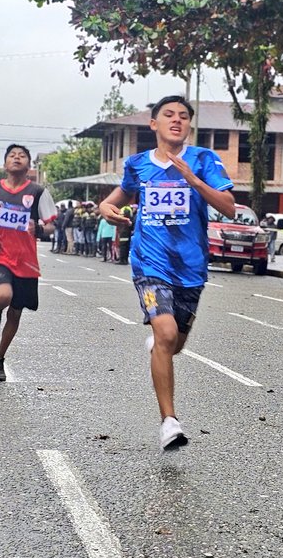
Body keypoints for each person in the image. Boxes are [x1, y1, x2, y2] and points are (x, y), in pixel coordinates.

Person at [97, 96, 236, 450]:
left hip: (190, 267)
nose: (177, 120)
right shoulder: (138, 164)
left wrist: (194, 181)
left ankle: (162, 345)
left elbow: (229, 208)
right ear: (154, 124)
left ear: (189, 125)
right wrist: (105, 208)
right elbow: (117, 197)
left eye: (184, 116)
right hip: (149, 263)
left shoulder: (204, 160)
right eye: (169, 115)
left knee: (174, 343)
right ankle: (169, 422)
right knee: (166, 330)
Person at [0, 144, 57, 383]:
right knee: (3, 295)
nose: (17, 158)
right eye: (12, 155)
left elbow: (51, 225)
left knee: (16, 314)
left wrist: (39, 228)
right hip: (0, 254)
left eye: (22, 156)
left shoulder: (38, 192)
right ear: (5, 163)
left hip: (26, 261)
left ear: (29, 166)